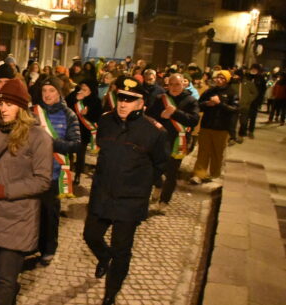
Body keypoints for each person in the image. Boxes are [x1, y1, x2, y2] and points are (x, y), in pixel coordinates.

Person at [84, 77, 169, 305]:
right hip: (103, 194)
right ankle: (104, 258)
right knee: (90, 236)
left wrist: (140, 185)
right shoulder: (106, 121)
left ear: (141, 104)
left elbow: (161, 164)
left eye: (130, 100)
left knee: (122, 250)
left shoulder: (155, 132)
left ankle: (111, 293)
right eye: (121, 98)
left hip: (130, 200)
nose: (123, 104)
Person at [0, 78, 53, 305]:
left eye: (9, 104)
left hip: (19, 217)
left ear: (22, 107)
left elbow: (42, 180)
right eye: (2, 102)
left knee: (6, 280)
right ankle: (12, 288)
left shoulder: (39, 138)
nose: (3, 108)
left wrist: (4, 190)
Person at [33, 77, 81, 266]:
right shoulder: (35, 112)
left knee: (50, 214)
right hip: (35, 172)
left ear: (59, 92)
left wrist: (52, 144)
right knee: (34, 212)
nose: (47, 95)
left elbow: (76, 144)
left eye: (51, 91)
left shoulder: (68, 114)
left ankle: (49, 248)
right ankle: (33, 245)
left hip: (55, 172)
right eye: (44, 91)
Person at [146, 74, 200, 212]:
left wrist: (175, 112)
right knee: (154, 168)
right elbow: (150, 118)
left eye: (177, 84)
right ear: (167, 85)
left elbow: (193, 120)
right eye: (171, 84)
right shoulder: (160, 99)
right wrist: (160, 117)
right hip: (160, 140)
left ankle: (164, 201)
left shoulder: (190, 101)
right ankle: (158, 185)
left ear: (183, 84)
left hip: (178, 142)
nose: (174, 87)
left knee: (171, 173)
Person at [189, 70, 238, 184]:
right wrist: (206, 104)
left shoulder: (232, 93)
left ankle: (214, 173)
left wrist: (220, 104)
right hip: (207, 125)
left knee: (217, 151)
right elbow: (198, 106)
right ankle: (199, 174)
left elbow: (234, 109)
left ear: (227, 80)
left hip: (222, 127)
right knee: (203, 151)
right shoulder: (209, 91)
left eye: (222, 78)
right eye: (218, 77)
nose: (219, 80)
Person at [66, 79, 102, 185]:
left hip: (84, 130)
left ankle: (77, 175)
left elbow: (97, 117)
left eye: (86, 86)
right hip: (71, 128)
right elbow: (65, 105)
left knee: (80, 153)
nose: (83, 88)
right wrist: (75, 99)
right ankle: (67, 173)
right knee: (68, 152)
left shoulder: (95, 100)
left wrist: (87, 114)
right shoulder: (74, 95)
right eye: (82, 86)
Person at [233, 70, 258, 143]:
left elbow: (255, 93)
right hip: (235, 106)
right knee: (233, 122)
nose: (234, 77)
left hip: (245, 106)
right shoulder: (233, 83)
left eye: (236, 75)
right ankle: (232, 137)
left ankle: (241, 135)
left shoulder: (248, 83)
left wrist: (248, 100)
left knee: (243, 122)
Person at [246, 64, 266, 138]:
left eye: (255, 69)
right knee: (245, 116)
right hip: (246, 100)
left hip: (255, 101)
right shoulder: (247, 77)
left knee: (253, 116)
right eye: (252, 68)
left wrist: (260, 101)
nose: (253, 70)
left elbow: (263, 91)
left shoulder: (261, 79)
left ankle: (251, 131)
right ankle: (243, 130)